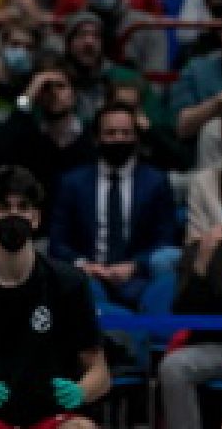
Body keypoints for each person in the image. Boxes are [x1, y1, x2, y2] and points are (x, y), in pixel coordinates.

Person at [0, 166, 109, 429]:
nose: (14, 215)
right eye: (4, 207)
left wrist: (81, 391)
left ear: (36, 217)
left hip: (53, 416)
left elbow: (100, 373)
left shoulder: (70, 284)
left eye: (23, 207)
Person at [46, 103, 178, 314]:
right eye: (111, 133)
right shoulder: (72, 183)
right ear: (96, 138)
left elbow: (165, 239)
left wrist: (135, 266)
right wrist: (83, 265)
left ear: (136, 137)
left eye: (126, 133)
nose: (119, 139)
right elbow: (58, 242)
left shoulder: (156, 182)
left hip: (139, 277)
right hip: (88, 277)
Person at [155, 163, 222, 429]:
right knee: (173, 368)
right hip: (211, 346)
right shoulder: (199, 250)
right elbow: (183, 311)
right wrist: (202, 261)